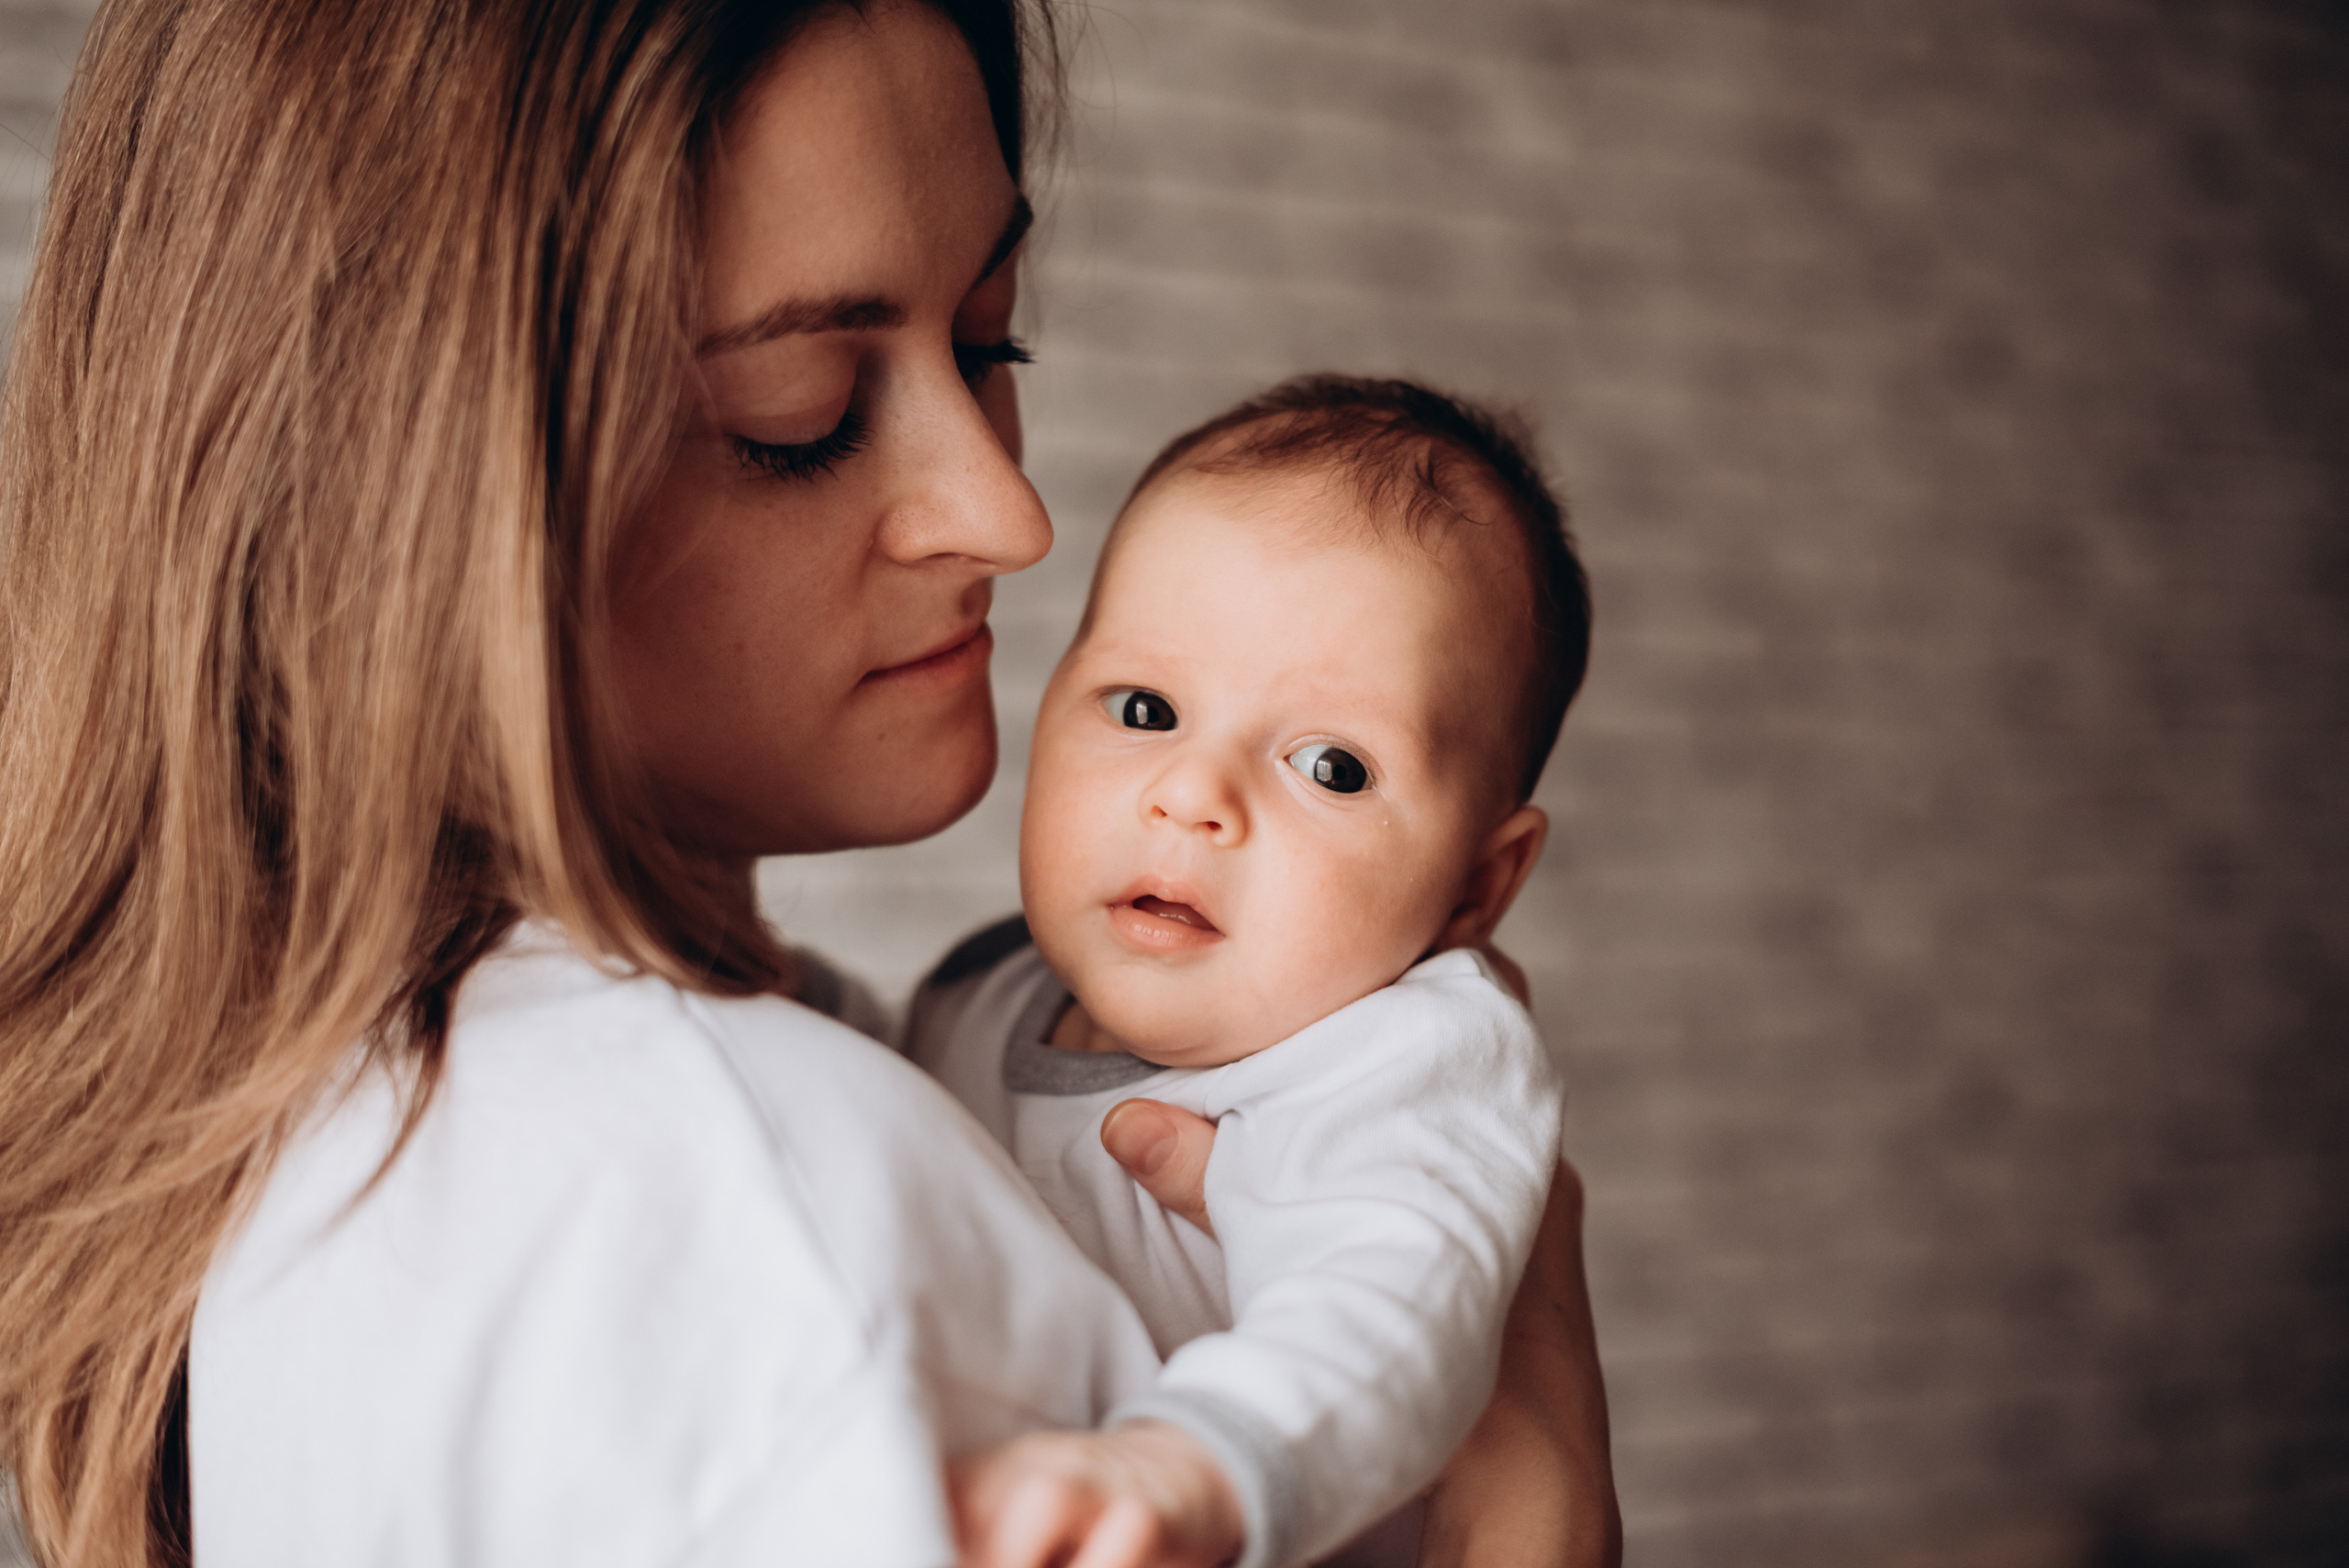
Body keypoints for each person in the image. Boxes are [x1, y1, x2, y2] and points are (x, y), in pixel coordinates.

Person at [0, 2, 1620, 1566]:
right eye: (806, 415)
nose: (1010, 515)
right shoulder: (751, 1189)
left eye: (989, 340)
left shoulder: (372, 1118)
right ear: (413, 502)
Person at [912, 377, 1586, 1568]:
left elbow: (1388, 1303)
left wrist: (1198, 1460)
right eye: (1144, 707)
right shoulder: (980, 992)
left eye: (1331, 767)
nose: (1192, 794)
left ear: (1477, 886)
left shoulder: (1399, 1061)